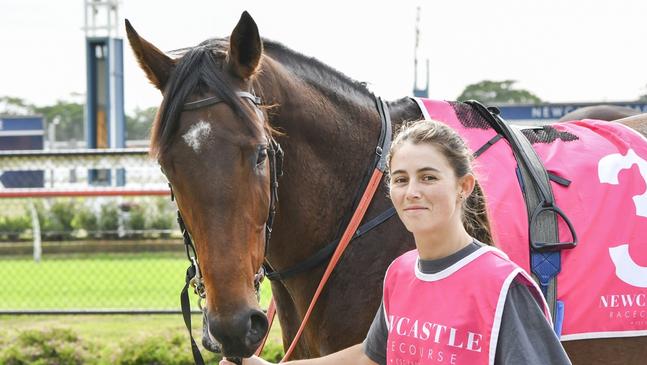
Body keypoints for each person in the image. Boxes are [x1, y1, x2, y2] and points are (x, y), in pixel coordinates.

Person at [221, 120, 572, 365]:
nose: (412, 192)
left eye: (429, 177)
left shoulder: (501, 286)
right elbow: (370, 356)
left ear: (463, 187)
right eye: (401, 179)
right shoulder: (400, 273)